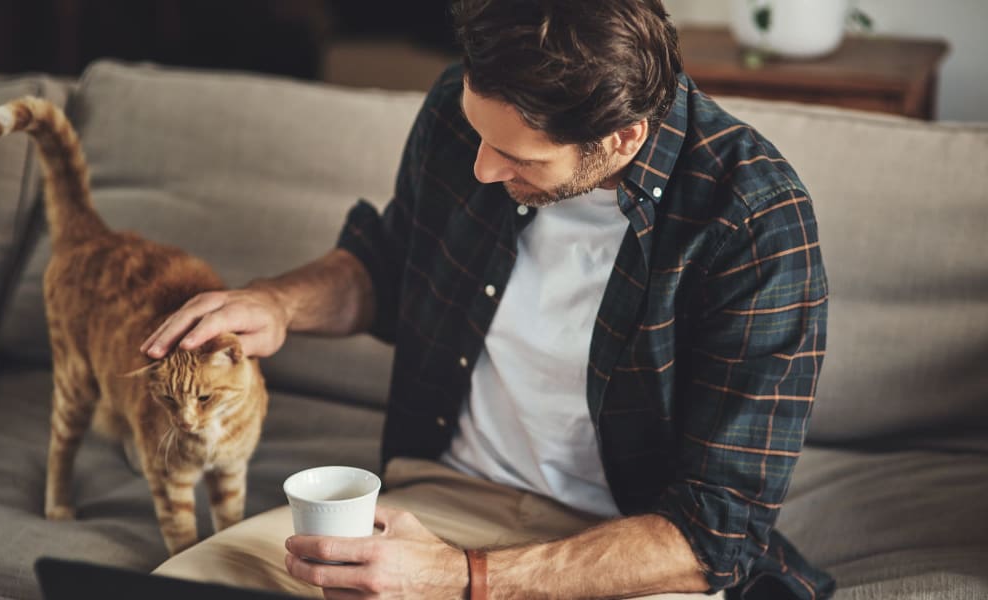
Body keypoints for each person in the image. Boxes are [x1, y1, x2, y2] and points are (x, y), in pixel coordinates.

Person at [142, 0, 835, 598]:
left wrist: (462, 580)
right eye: (479, 136)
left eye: (520, 159)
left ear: (620, 139)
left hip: (625, 553)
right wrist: (277, 304)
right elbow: (388, 264)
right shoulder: (461, 109)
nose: (482, 167)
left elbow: (710, 537)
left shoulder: (754, 221)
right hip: (435, 500)